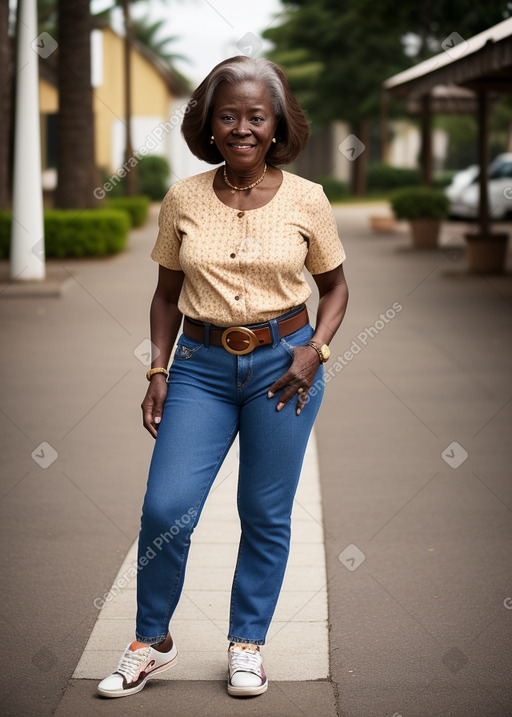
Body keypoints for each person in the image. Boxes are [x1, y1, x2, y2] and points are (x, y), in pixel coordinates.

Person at [98, 55, 348, 700]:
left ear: (277, 126)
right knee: (166, 508)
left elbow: (337, 289)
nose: (241, 126)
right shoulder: (182, 198)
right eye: (228, 115)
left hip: (284, 367)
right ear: (208, 125)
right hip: (199, 370)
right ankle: (151, 642)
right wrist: (157, 368)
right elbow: (163, 295)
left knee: (263, 512)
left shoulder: (307, 200)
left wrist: (314, 351)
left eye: (255, 117)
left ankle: (247, 644)